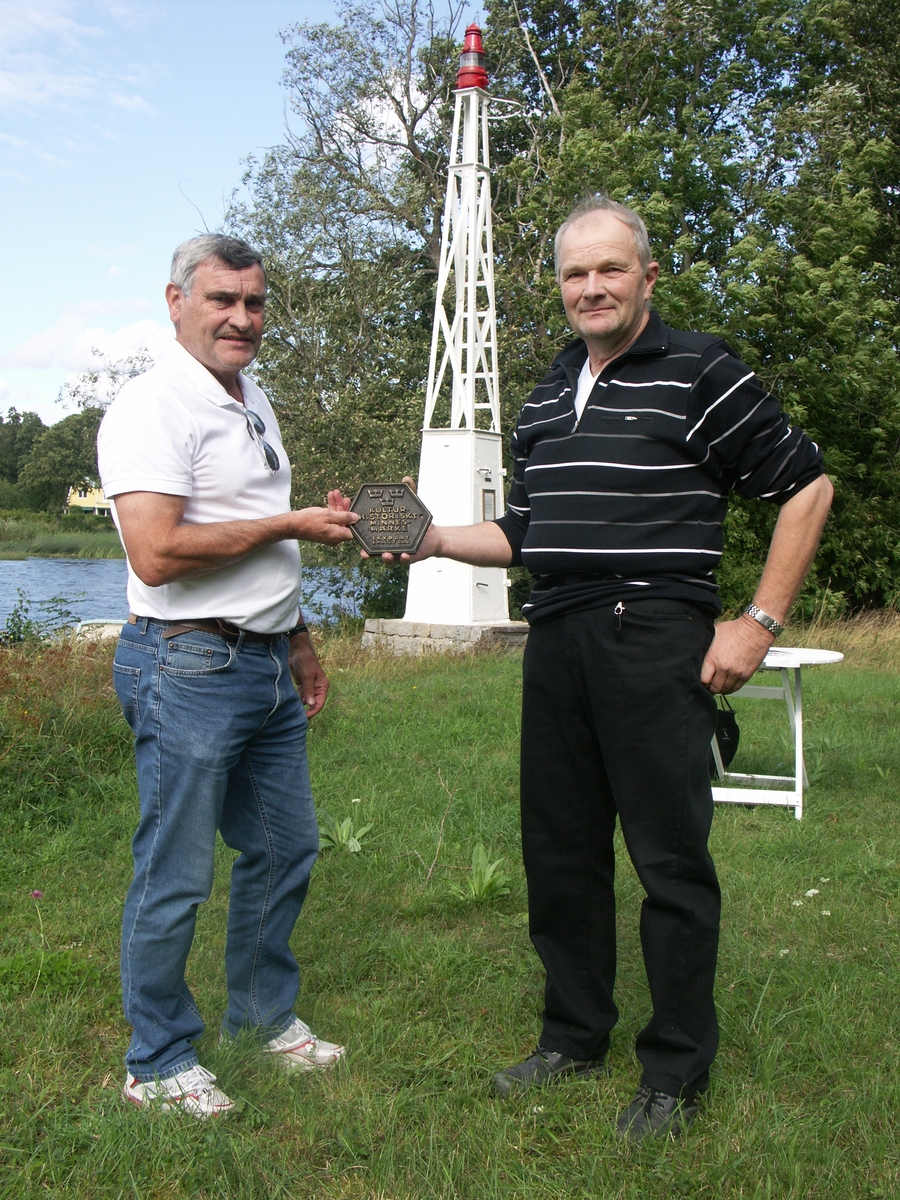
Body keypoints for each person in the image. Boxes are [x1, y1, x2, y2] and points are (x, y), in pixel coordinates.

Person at [359, 195, 833, 1139]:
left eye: (610, 269)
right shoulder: (546, 390)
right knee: (561, 856)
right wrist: (429, 538)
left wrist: (758, 622)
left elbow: (806, 486)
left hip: (657, 636)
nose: (592, 288)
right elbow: (529, 531)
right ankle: (573, 1037)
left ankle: (675, 1068)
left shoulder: (702, 369)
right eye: (576, 274)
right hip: (559, 640)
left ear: (646, 276)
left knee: (669, 862)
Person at [97, 234, 359, 1118]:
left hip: (263, 659)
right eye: (222, 300)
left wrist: (299, 638)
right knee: (175, 873)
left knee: (286, 847)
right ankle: (159, 1060)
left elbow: (254, 537)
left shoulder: (251, 396)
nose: (242, 318)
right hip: (185, 660)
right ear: (176, 301)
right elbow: (159, 552)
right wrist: (293, 521)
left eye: (254, 303)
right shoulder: (151, 407)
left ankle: (260, 1016)